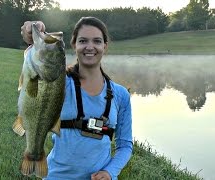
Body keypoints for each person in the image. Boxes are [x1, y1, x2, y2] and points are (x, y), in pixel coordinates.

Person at [20, 17, 133, 180]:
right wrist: (32, 34)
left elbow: (125, 145)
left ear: (105, 46)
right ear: (74, 44)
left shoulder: (121, 95)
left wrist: (110, 172)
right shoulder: (59, 83)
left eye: (97, 41)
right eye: (83, 41)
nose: (90, 47)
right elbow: (38, 68)